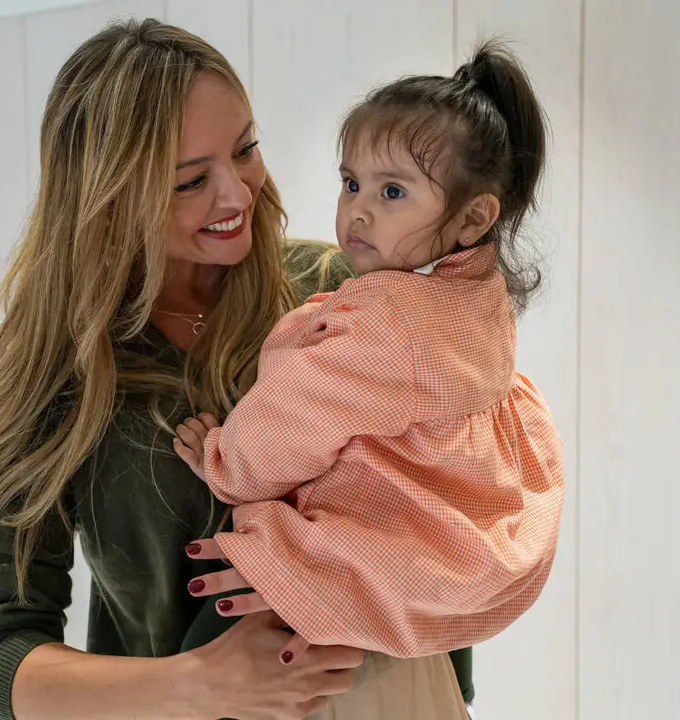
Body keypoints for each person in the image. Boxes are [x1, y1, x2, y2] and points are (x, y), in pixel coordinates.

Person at [0, 18, 475, 720]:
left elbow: (449, 504)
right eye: (191, 180)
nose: (238, 195)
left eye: (245, 150)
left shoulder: (339, 292)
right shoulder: (63, 368)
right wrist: (201, 682)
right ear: (107, 195)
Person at [171, 40, 564, 665]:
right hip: (459, 539)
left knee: (209, 638)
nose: (357, 210)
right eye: (351, 183)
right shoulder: (472, 290)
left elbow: (293, 419)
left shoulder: (382, 328)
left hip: (387, 542)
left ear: (472, 219)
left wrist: (225, 462)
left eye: (392, 193)